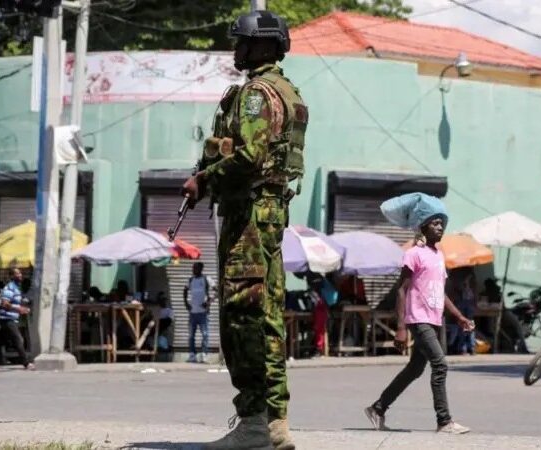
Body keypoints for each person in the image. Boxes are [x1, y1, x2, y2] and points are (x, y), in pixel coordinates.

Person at [180, 10, 307, 450]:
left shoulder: (256, 93)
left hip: (249, 215)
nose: (236, 50)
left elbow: (249, 156)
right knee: (266, 316)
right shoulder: (288, 91)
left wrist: (204, 179)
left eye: (243, 43)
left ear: (265, 46)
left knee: (243, 317)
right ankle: (274, 425)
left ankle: (255, 423)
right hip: (269, 213)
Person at [365, 207, 472, 435]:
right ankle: (444, 421)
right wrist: (401, 327)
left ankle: (378, 408)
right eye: (435, 223)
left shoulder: (438, 255)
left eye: (442, 223)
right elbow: (401, 290)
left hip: (433, 319)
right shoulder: (414, 254)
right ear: (423, 227)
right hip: (418, 318)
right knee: (440, 364)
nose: (440, 227)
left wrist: (459, 316)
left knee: (414, 370)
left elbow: (439, 292)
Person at [0, 268, 34, 370]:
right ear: (11, 276)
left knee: (0, 341)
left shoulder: (16, 288)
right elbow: (4, 303)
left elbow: (15, 301)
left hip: (10, 317)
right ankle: (26, 363)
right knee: (18, 339)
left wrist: (24, 306)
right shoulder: (10, 288)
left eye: (20, 273)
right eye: (17, 274)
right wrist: (18, 309)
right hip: (6, 318)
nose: (20, 275)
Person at [183, 262, 214, 364]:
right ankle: (192, 355)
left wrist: (209, 301)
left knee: (205, 335)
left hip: (203, 313)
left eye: (195, 268)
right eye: (193, 268)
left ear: (200, 269)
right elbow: (185, 290)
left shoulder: (206, 279)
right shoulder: (191, 280)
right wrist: (186, 303)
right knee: (191, 335)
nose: (193, 270)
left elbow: (217, 290)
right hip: (193, 313)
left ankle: (204, 355)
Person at [447, 269, 476, 355]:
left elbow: (474, 287)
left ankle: (470, 347)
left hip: (468, 301)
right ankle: (463, 348)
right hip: (461, 301)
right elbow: (454, 287)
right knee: (463, 325)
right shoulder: (456, 272)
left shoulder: (470, 273)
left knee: (469, 324)